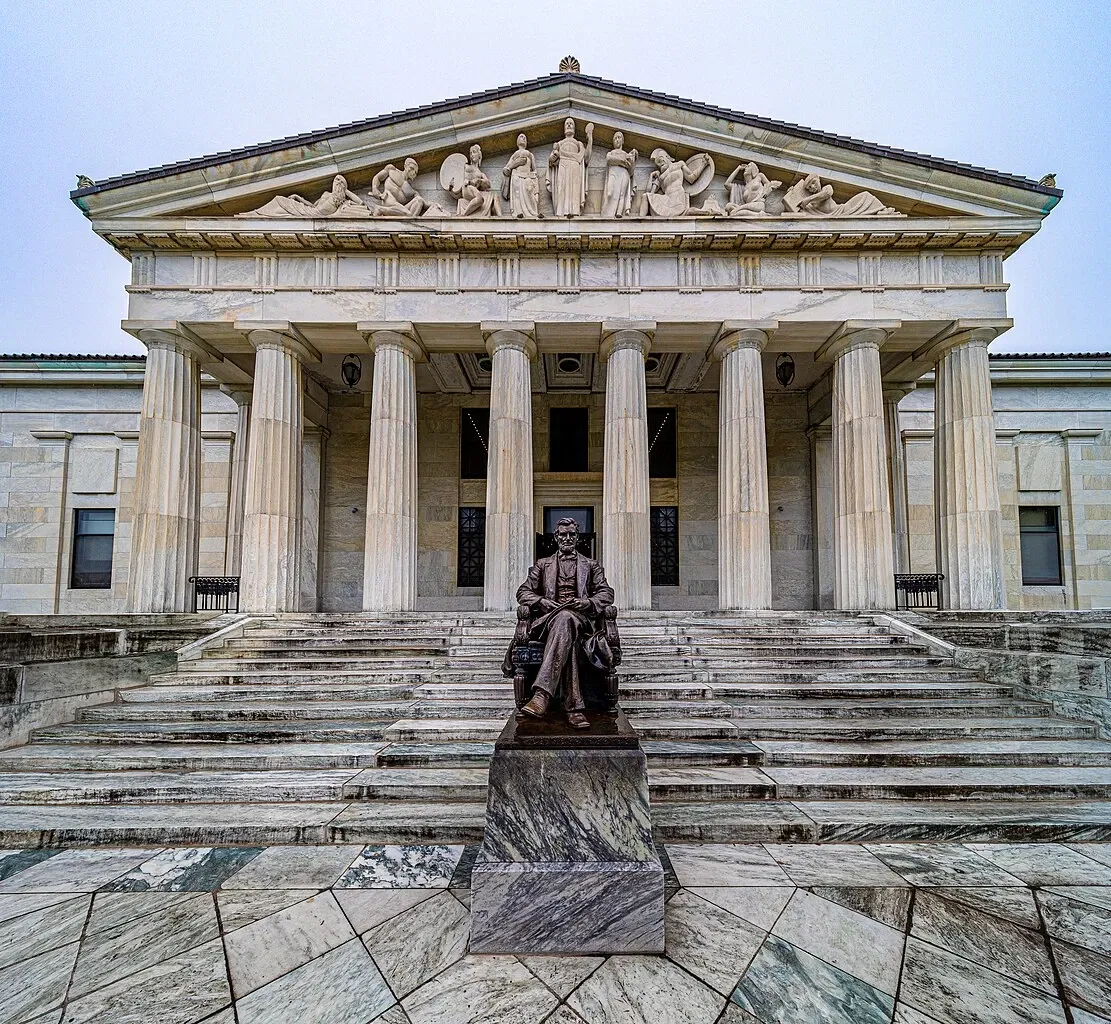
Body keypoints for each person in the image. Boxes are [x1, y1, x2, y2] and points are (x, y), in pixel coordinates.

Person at [516, 518, 614, 729]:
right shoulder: (543, 565)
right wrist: (542, 601)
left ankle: (542, 695)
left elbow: (607, 593)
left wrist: (587, 602)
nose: (567, 538)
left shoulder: (591, 565)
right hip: (548, 620)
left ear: (577, 537)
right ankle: (574, 709)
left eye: (571, 534)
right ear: (556, 537)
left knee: (567, 619)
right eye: (563, 534)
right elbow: (522, 592)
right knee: (563, 624)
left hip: (580, 620)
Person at [241, 174, 370, 218]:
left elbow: (361, 203)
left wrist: (346, 190)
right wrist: (298, 197)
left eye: (339, 181)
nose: (336, 182)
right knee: (279, 200)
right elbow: (313, 206)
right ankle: (256, 214)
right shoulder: (326, 194)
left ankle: (256, 214)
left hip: (316, 215)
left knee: (279, 201)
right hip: (311, 212)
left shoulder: (340, 201)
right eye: (335, 179)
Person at [782, 173, 898, 217]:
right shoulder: (811, 205)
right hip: (832, 217)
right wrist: (790, 196)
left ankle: (881, 211)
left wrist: (808, 199)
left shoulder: (826, 189)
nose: (812, 187)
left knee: (865, 195)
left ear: (818, 180)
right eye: (809, 188)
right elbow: (797, 212)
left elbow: (827, 194)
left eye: (813, 183)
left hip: (843, 210)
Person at [547, 118, 594, 217]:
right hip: (562, 165)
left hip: (575, 166)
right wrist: (554, 156)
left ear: (574, 128)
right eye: (567, 124)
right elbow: (552, 161)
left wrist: (590, 139)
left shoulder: (578, 143)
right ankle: (561, 212)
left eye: (571, 124)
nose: (569, 125)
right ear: (564, 128)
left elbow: (586, 158)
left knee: (574, 190)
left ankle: (574, 211)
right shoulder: (559, 144)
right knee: (561, 188)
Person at [501, 134, 541, 218]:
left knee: (528, 192)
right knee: (517, 195)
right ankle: (518, 212)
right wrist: (516, 163)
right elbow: (506, 168)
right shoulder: (515, 154)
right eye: (521, 137)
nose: (523, 138)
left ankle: (531, 212)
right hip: (517, 177)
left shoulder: (530, 155)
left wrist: (533, 176)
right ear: (517, 142)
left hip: (527, 178)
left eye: (525, 138)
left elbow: (534, 169)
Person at [600, 131, 637, 218]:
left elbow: (631, 170)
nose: (617, 140)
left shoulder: (626, 154)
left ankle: (619, 212)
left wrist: (634, 158)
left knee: (622, 194)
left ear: (623, 141)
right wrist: (622, 161)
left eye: (619, 138)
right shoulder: (611, 152)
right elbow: (609, 159)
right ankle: (607, 213)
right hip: (613, 172)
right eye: (615, 138)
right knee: (610, 192)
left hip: (624, 174)